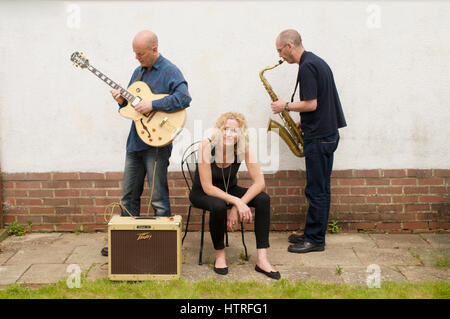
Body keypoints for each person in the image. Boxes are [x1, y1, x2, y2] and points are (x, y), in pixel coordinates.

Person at [102, 30, 191, 256]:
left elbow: (184, 98)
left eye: (140, 53)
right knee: (128, 195)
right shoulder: (138, 72)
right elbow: (130, 111)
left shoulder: (170, 70)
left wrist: (154, 105)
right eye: (135, 53)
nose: (137, 57)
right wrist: (122, 102)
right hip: (135, 142)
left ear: (154, 49)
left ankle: (164, 247)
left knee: (158, 197)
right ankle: (127, 243)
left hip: (157, 144)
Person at [270, 29, 346, 254]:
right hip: (324, 133)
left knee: (317, 190)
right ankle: (313, 232)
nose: (280, 55)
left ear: (289, 46)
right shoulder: (315, 62)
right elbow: (320, 103)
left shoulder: (307, 67)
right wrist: (306, 121)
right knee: (319, 188)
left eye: (280, 50)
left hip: (320, 137)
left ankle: (315, 240)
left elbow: (311, 103)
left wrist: (285, 106)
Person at [189, 112, 280, 280]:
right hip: (202, 193)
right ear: (219, 130)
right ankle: (220, 255)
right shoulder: (206, 146)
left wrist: (237, 207)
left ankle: (262, 259)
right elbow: (208, 187)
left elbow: (260, 182)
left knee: (263, 199)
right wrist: (237, 202)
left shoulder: (243, 148)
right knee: (218, 205)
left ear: (241, 133)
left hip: (229, 190)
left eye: (234, 130)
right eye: (225, 129)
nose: (229, 134)